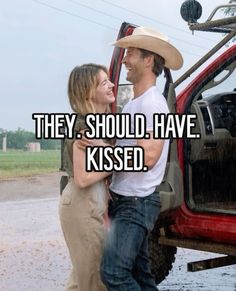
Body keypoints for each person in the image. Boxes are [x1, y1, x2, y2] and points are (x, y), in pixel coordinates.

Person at [100, 27, 183, 290]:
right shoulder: (134, 104)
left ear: (149, 60)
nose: (124, 60)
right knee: (142, 278)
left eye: (131, 54)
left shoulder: (152, 104)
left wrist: (100, 160)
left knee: (113, 273)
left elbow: (148, 156)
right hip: (126, 198)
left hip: (136, 203)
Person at [59, 63, 115, 291]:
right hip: (81, 203)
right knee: (92, 279)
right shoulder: (83, 127)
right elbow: (82, 178)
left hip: (91, 203)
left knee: (82, 278)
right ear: (88, 92)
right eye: (104, 83)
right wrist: (119, 164)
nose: (112, 85)